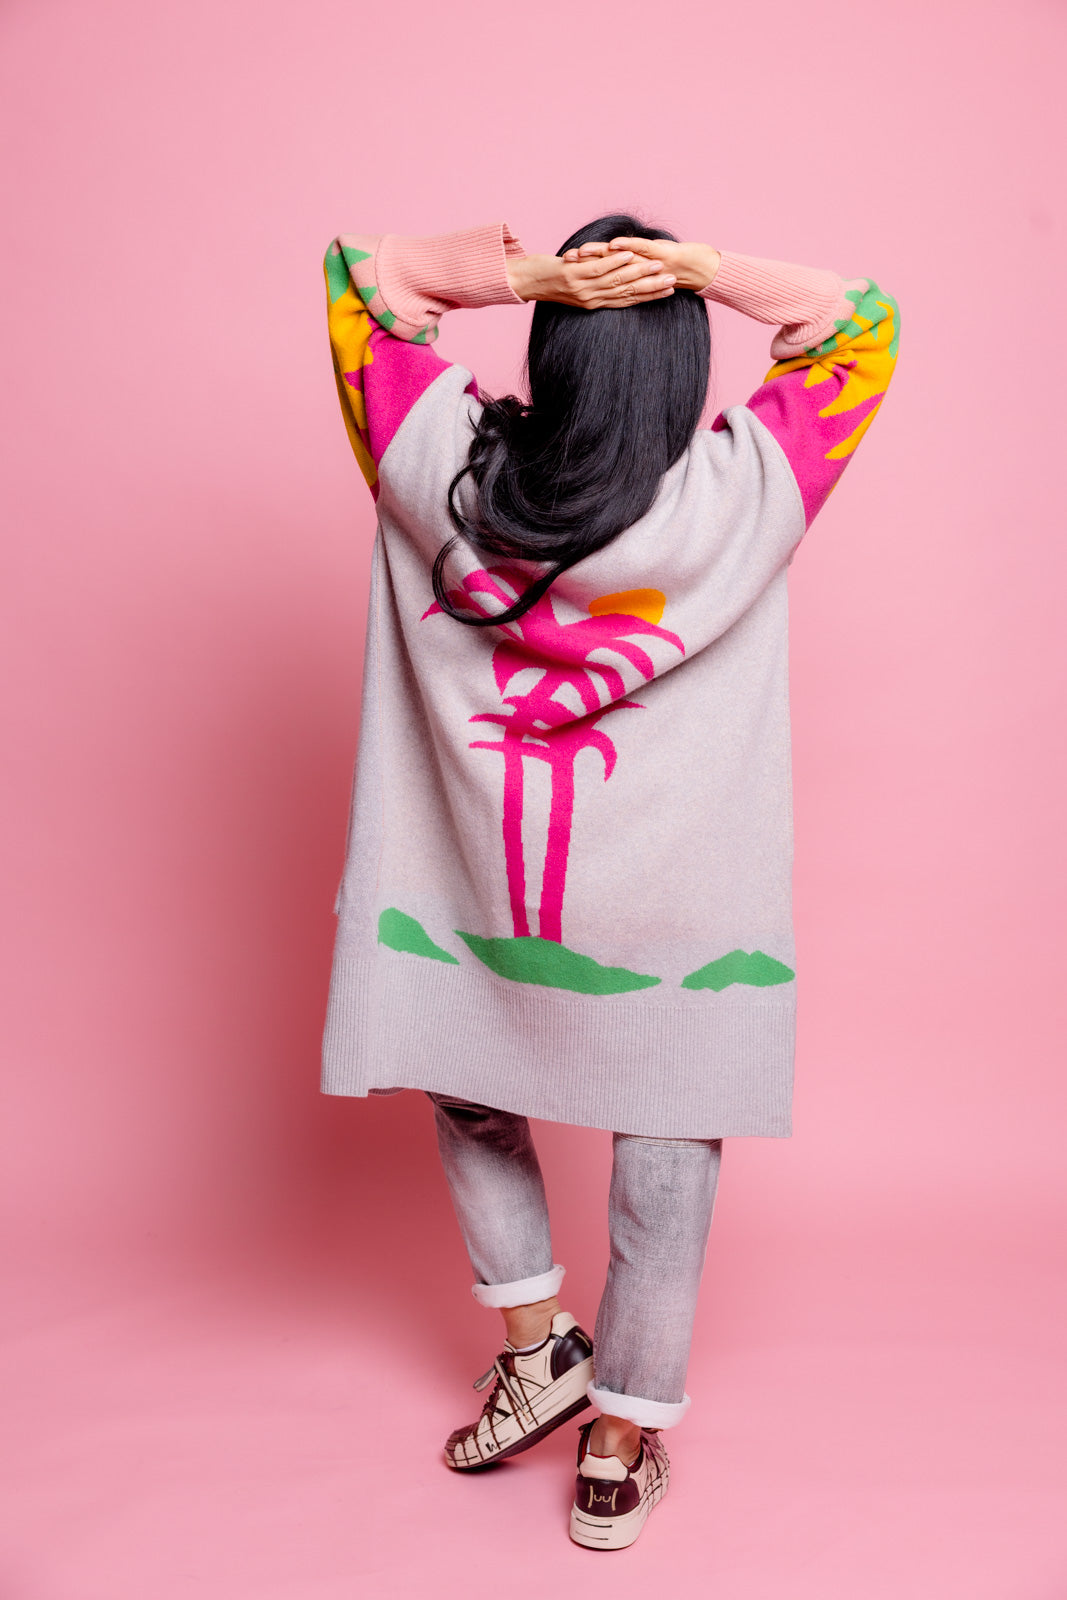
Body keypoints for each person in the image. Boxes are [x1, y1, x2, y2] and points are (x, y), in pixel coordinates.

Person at [320, 213, 900, 1549]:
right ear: (686, 364)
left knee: (462, 1072)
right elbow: (862, 319)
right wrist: (702, 274)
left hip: (486, 887)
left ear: (551, 348)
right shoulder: (747, 491)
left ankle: (538, 1343)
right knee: (668, 1141)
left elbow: (364, 279)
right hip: (679, 906)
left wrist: (530, 276)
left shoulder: (443, 468)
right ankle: (619, 1442)